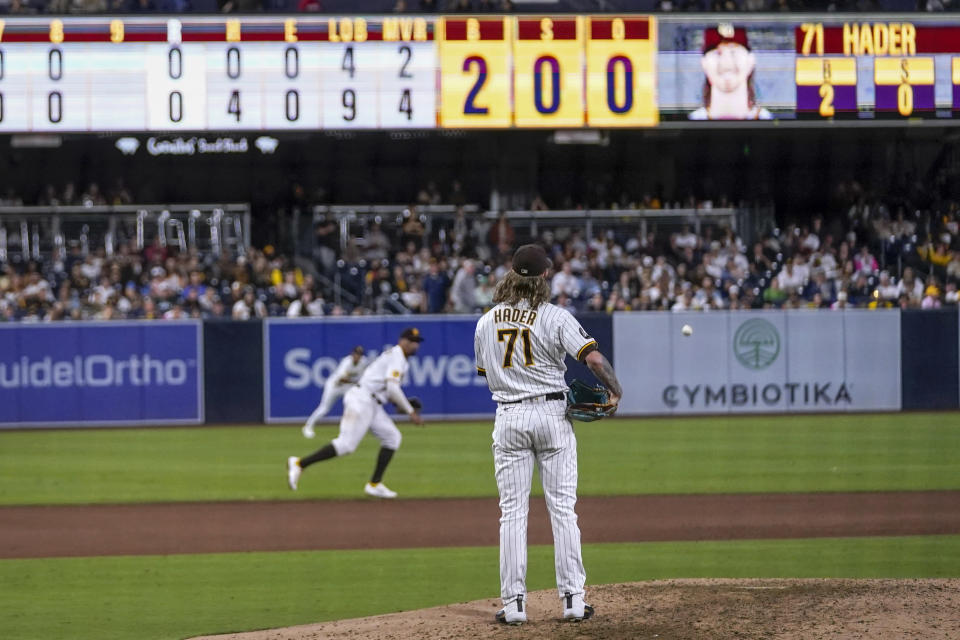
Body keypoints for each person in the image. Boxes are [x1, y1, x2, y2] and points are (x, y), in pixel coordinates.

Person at [473, 244, 622, 625]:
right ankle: (573, 599)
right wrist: (616, 390)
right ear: (543, 277)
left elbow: (486, 375)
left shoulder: (486, 321)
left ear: (511, 275)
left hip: (508, 416)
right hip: (552, 414)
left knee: (512, 514)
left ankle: (514, 605)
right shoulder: (555, 317)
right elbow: (593, 358)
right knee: (562, 509)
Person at [287, 328, 425, 499]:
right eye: (412, 341)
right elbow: (392, 388)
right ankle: (299, 463)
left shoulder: (401, 360)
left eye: (417, 342)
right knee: (346, 445)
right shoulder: (397, 356)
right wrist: (411, 411)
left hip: (373, 402)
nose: (415, 345)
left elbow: (388, 393)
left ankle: (374, 484)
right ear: (402, 341)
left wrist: (405, 405)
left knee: (392, 437)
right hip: (362, 400)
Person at [689, 24, 772, 121]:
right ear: (704, 63)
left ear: (751, 60)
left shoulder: (770, 121)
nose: (726, 63)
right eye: (717, 53)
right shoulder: (691, 123)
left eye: (734, 52)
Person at [301, 345, 369, 439]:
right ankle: (308, 427)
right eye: (356, 354)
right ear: (352, 354)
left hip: (348, 387)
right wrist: (356, 383)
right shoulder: (347, 362)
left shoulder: (364, 362)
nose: (358, 356)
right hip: (334, 386)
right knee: (324, 408)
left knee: (355, 405)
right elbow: (342, 379)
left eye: (360, 354)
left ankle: (357, 430)